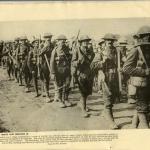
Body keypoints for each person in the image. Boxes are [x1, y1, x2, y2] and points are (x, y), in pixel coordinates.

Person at [123, 26, 150, 129]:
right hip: (141, 84)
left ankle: (134, 124)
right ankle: (144, 127)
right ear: (142, 37)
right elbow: (126, 68)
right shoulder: (136, 50)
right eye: (148, 36)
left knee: (144, 105)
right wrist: (144, 72)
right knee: (142, 106)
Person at [72, 35, 95, 117]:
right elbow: (73, 62)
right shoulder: (77, 50)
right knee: (83, 92)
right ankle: (83, 110)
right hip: (81, 74)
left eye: (87, 41)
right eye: (84, 41)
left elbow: (93, 59)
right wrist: (78, 61)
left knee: (87, 92)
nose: (86, 42)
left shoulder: (90, 50)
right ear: (81, 42)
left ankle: (81, 104)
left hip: (89, 74)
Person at [50, 35, 72, 108]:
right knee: (60, 86)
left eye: (64, 41)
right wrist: (52, 73)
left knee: (68, 84)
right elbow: (52, 62)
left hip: (67, 69)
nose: (63, 42)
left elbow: (70, 58)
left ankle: (66, 99)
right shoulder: (55, 50)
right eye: (61, 41)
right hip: (59, 70)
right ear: (58, 41)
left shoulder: (67, 49)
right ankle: (60, 101)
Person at [39, 33, 54, 102]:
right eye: (47, 38)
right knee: (46, 79)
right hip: (44, 64)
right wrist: (45, 47)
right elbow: (39, 54)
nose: (48, 39)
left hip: (52, 63)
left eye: (50, 37)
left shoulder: (52, 45)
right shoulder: (41, 45)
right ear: (44, 38)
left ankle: (56, 95)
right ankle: (47, 95)